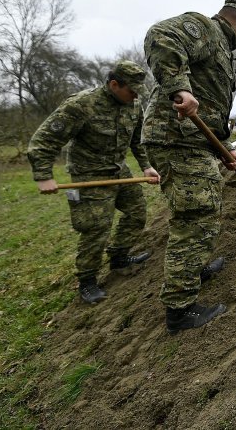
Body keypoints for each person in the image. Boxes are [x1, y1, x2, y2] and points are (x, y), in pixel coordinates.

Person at [142, 0, 236, 334]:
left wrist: (224, 147)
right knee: (196, 215)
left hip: (193, 141)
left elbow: (207, 109)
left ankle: (194, 270)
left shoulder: (218, 47)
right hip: (176, 139)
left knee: (202, 210)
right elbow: (160, 35)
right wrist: (178, 86)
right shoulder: (206, 28)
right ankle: (180, 310)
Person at [27, 61, 161, 304]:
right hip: (89, 175)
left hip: (118, 169)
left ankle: (119, 257)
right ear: (113, 84)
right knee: (96, 227)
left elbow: (136, 140)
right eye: (131, 90)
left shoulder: (133, 104)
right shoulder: (81, 105)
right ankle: (87, 280)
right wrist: (44, 176)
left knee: (137, 211)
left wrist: (146, 166)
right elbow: (44, 140)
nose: (135, 96)